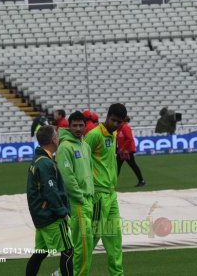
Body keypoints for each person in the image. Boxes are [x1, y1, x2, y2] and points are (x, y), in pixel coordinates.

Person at [26, 125, 73, 276]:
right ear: (53, 140)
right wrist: (63, 212)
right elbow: (50, 191)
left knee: (40, 253)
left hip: (41, 216)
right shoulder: (45, 163)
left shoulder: (39, 160)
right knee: (68, 251)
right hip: (51, 217)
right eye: (57, 136)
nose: (59, 138)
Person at [84, 103, 126, 276]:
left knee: (115, 240)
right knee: (91, 239)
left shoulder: (113, 134)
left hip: (111, 193)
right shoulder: (94, 135)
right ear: (107, 117)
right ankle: (66, 272)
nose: (115, 124)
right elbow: (81, 160)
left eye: (119, 122)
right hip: (98, 195)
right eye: (113, 120)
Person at [56, 111, 94, 276]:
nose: (78, 128)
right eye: (75, 125)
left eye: (81, 125)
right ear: (69, 126)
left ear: (85, 126)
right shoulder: (65, 147)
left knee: (86, 245)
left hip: (88, 200)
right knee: (83, 246)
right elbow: (67, 177)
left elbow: (90, 172)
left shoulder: (85, 145)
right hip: (77, 203)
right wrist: (80, 197)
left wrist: (91, 195)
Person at [117, 116, 145, 187]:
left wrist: (122, 149)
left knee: (119, 166)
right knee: (118, 166)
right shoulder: (120, 128)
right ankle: (141, 180)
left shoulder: (125, 128)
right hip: (123, 151)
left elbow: (129, 139)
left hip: (127, 151)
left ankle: (141, 180)